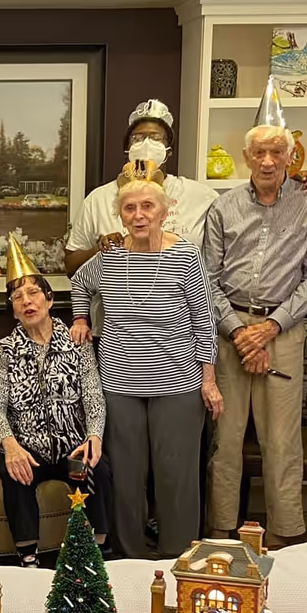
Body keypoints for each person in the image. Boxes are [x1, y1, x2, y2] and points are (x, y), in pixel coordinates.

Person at [70, 163, 220, 559]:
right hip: (120, 386)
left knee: (176, 477)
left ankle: (179, 557)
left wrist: (209, 380)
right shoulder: (109, 259)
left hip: (178, 385)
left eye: (147, 207)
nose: (138, 215)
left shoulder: (186, 257)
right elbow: (78, 284)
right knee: (126, 480)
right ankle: (130, 557)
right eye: (130, 208)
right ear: (121, 215)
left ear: (164, 210)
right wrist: (81, 317)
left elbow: (205, 322)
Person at [203, 120, 307, 547]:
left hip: (285, 330)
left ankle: (286, 533)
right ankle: (220, 531)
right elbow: (206, 279)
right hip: (229, 330)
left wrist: (270, 327)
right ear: (246, 159)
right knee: (226, 439)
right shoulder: (223, 207)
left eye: (277, 152)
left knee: (282, 439)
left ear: (291, 157)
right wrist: (242, 332)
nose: (268, 160)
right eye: (259, 152)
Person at [66, 97, 307, 279]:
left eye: (156, 138)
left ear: (169, 148)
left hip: (180, 329)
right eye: (138, 137)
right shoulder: (98, 199)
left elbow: (249, 202)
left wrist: (291, 180)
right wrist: (100, 250)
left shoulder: (200, 196)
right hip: (118, 327)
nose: (146, 143)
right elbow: (71, 267)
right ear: (127, 146)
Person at [0, 236, 109, 566]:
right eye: (17, 297)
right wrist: (9, 445)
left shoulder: (76, 342)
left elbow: (93, 397)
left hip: (71, 447)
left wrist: (93, 436)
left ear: (50, 299)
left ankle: (94, 554)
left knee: (98, 464)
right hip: (27, 449)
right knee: (15, 472)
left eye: (33, 293)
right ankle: (28, 557)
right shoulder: (2, 352)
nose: (26, 301)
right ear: (12, 309)